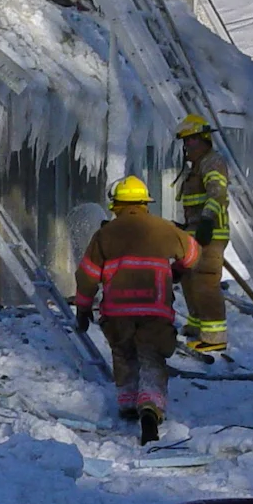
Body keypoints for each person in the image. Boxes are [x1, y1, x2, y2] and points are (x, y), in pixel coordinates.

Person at [74, 175, 200, 445]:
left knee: (124, 354)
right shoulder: (163, 229)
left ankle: (129, 404)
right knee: (152, 359)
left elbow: (87, 275)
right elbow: (192, 255)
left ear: (116, 205)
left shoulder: (105, 234)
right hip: (155, 310)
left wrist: (83, 308)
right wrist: (174, 270)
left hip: (117, 313)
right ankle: (150, 411)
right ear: (145, 203)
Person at [174, 113, 231, 354]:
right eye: (185, 142)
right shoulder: (196, 167)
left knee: (206, 281)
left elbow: (217, 193)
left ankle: (214, 336)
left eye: (191, 141)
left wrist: (207, 221)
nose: (187, 146)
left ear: (204, 139)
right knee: (189, 278)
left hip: (211, 234)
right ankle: (197, 325)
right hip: (195, 233)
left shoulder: (212, 162)